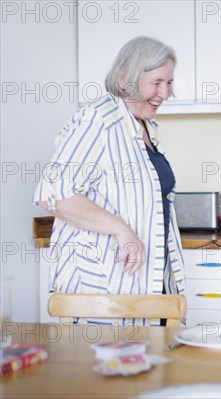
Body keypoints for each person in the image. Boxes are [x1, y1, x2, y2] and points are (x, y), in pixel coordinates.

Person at [33, 36, 186, 325]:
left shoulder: (146, 127)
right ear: (125, 77)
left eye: (169, 82)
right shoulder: (99, 120)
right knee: (107, 366)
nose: (165, 93)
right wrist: (122, 230)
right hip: (103, 284)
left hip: (145, 283)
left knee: (147, 366)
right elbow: (53, 193)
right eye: (157, 82)